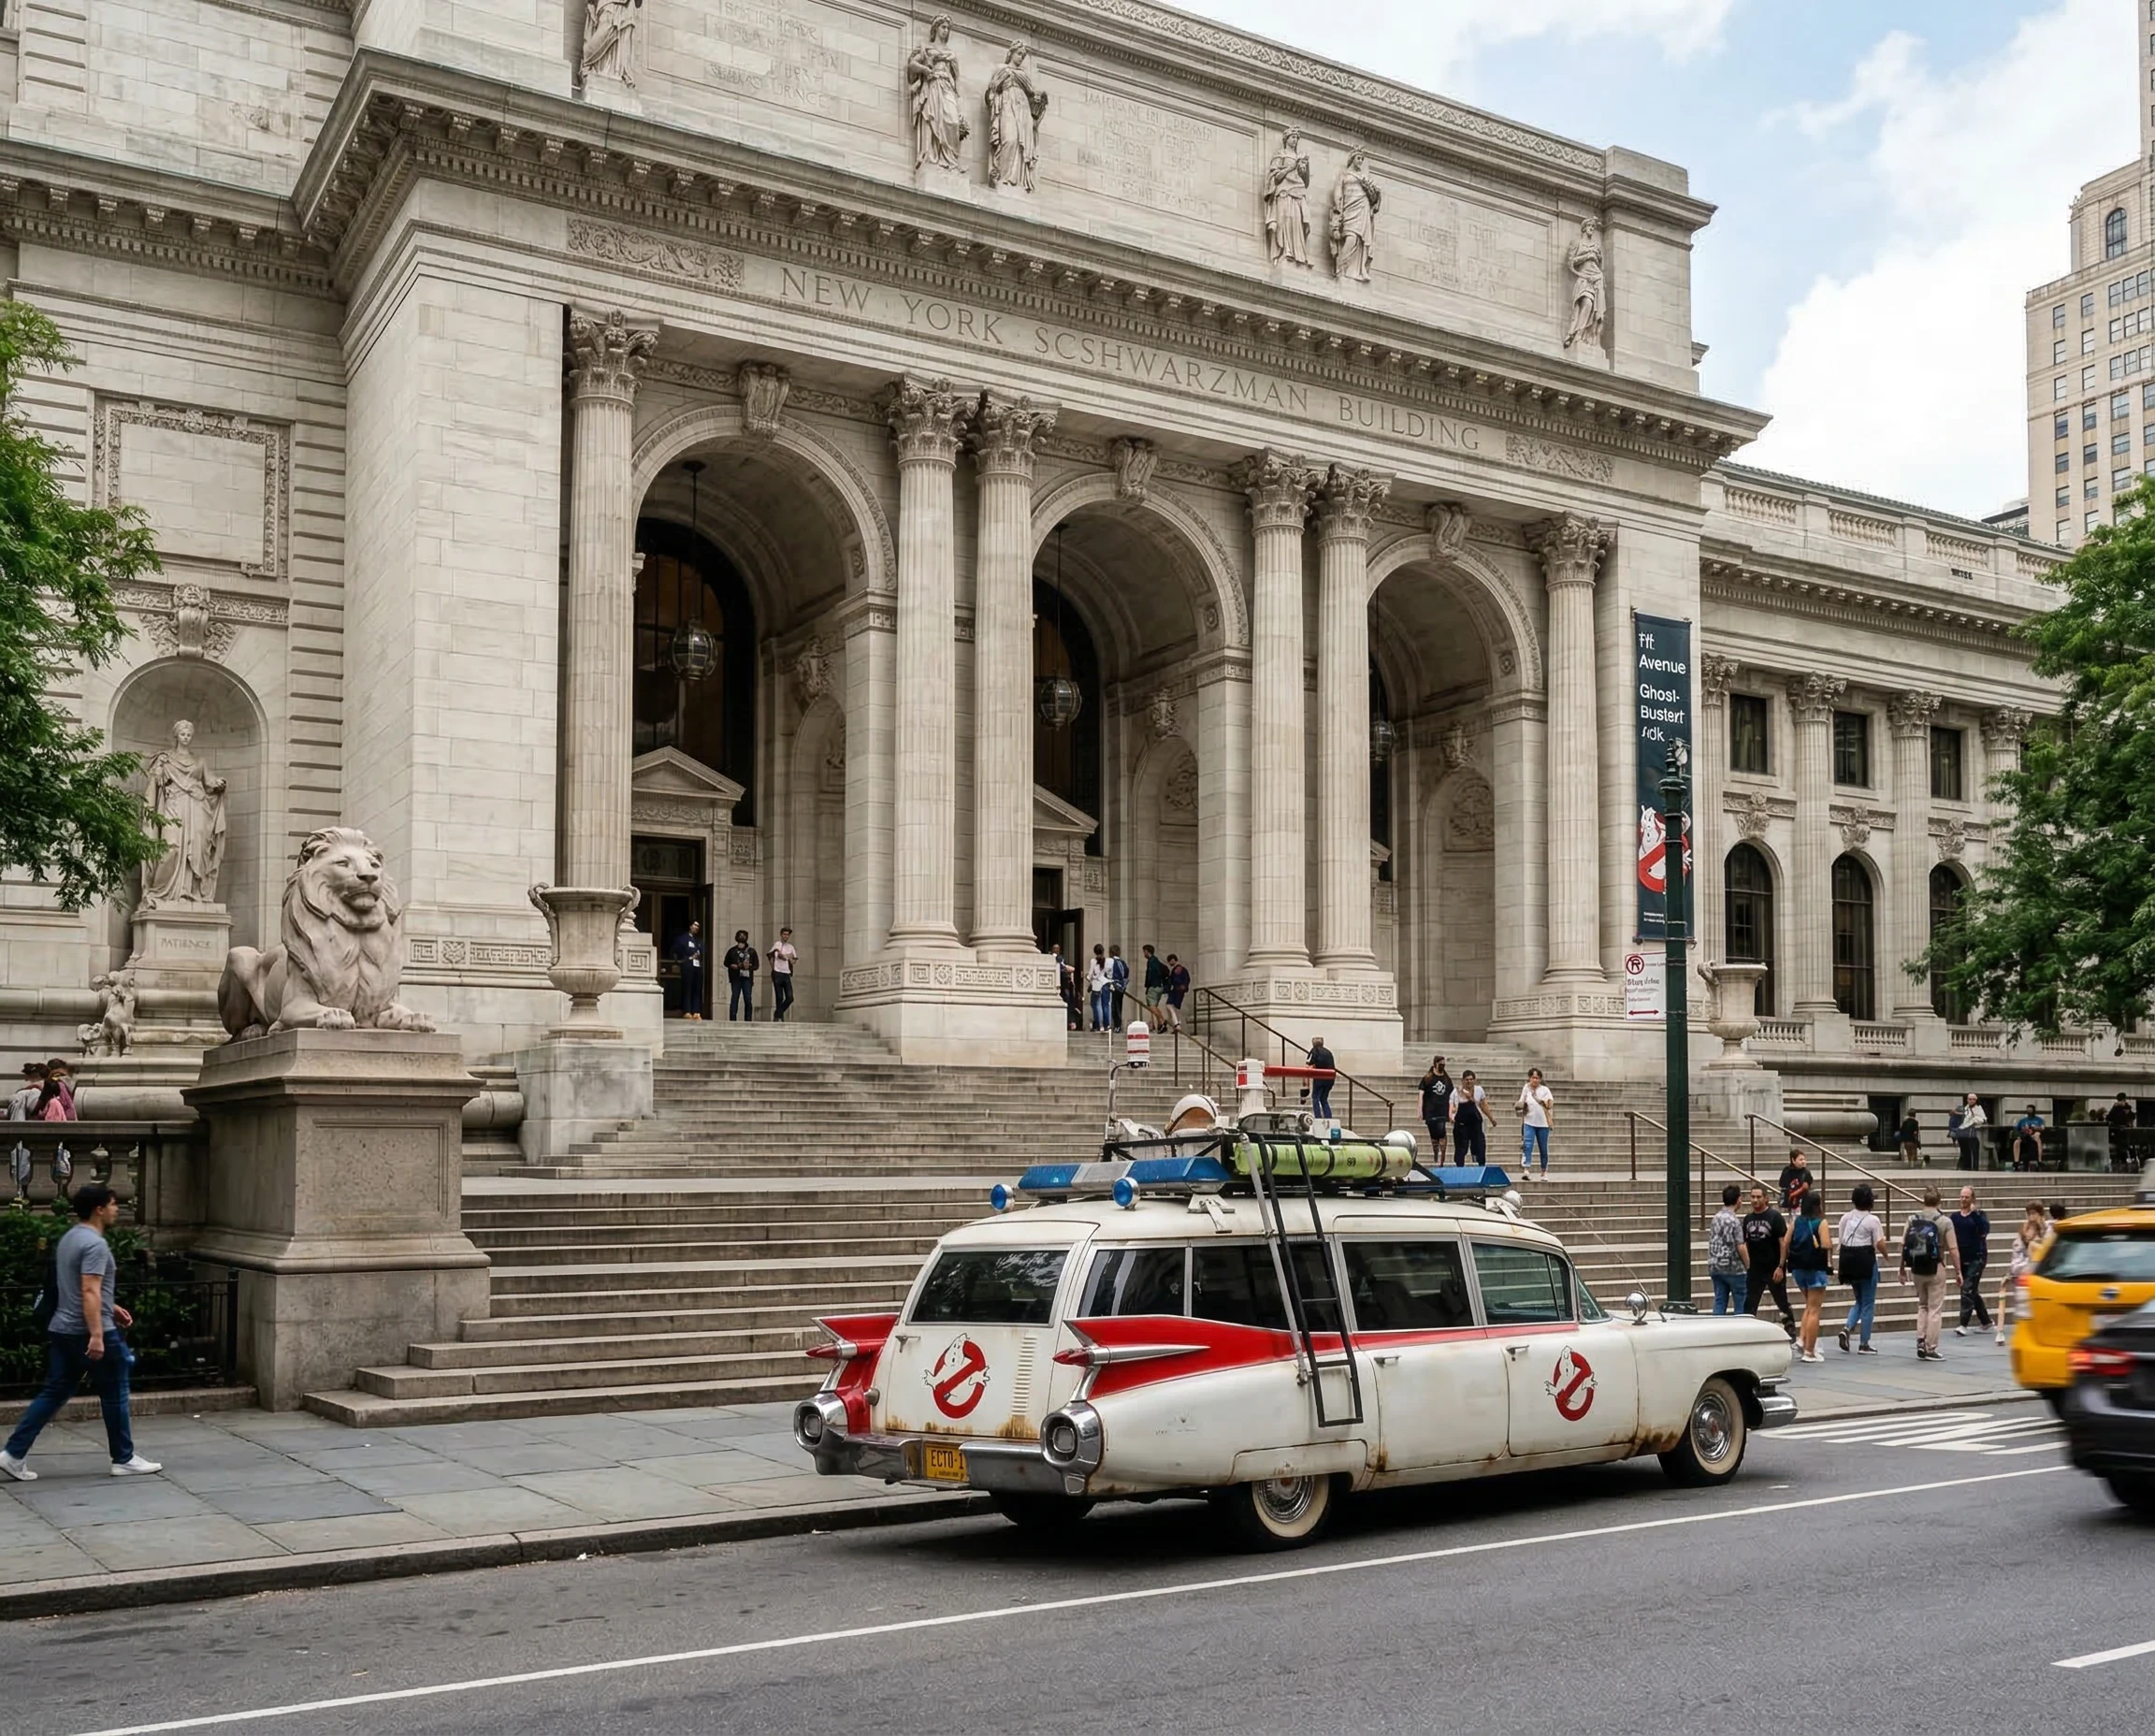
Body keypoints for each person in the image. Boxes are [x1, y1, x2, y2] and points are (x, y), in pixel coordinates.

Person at [0, 1184, 162, 1482]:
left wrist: (111, 1305)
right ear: (99, 1209)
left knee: (55, 1391)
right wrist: (98, 1335)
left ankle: (13, 1454)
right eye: (113, 1204)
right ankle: (123, 1458)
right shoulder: (95, 1244)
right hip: (88, 1330)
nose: (117, 1209)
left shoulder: (71, 1238)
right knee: (115, 1392)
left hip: (62, 1328)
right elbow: (88, 1289)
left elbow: (79, 1286)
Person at [1900, 1184, 1962, 1362]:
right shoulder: (1945, 1222)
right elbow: (1953, 1248)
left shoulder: (1912, 1219)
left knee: (1923, 1305)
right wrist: (1958, 1272)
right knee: (1935, 1309)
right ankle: (1930, 1347)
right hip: (1936, 1267)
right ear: (1939, 1202)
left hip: (1916, 1268)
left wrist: (1902, 1268)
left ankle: (1920, 1339)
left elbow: (1904, 1245)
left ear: (1924, 1200)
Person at [1835, 1184, 1885, 1354]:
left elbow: (1841, 1240)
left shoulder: (1845, 1218)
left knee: (1859, 1299)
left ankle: (1848, 1328)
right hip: (1866, 1262)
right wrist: (1886, 1255)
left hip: (1848, 1262)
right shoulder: (1873, 1220)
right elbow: (1879, 1242)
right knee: (1868, 1302)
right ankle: (1864, 1343)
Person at [1785, 1189, 1832, 1362]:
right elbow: (1826, 1244)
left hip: (1798, 1268)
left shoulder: (1796, 1222)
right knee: (1814, 1309)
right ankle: (1809, 1351)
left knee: (1808, 1305)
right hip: (1815, 1268)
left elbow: (1786, 1242)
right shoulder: (1821, 1222)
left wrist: (1782, 1263)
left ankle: (1802, 1339)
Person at [1742, 1183, 1794, 1337]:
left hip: (1773, 1267)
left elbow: (1783, 1243)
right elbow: (1745, 1243)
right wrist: (1748, 1265)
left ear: (1766, 1198)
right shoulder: (1748, 1219)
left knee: (1782, 1301)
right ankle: (1747, 1333)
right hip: (1755, 1269)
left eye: (1758, 1197)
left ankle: (1790, 1329)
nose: (1755, 1200)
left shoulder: (1774, 1217)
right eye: (1752, 1197)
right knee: (1750, 1304)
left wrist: (1780, 1266)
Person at [1998, 1200, 2048, 1346]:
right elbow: (2017, 1256)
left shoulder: (2048, 1229)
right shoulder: (2025, 1230)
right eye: (2029, 1214)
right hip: (2025, 1268)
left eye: (2034, 1213)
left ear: (2041, 1214)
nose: (2031, 1217)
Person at [1950, 1185, 1993, 1336]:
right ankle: (1986, 1321)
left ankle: (1963, 1324)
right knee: (1969, 1289)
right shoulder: (1954, 1217)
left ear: (1972, 1199)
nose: (1963, 1200)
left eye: (1966, 1197)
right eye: (1961, 1196)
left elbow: (1984, 1230)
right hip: (1962, 1257)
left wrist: (1975, 1214)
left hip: (1977, 1256)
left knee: (1968, 1289)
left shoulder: (1979, 1215)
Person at [1709, 1184, 1747, 1315]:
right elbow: (1740, 1245)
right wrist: (1748, 1264)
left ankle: (1717, 1327)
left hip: (1715, 1265)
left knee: (1720, 1300)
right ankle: (1740, 1329)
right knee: (1740, 1301)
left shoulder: (1716, 1218)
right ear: (1738, 1200)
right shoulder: (1734, 1221)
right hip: (1734, 1267)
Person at [1514, 1067, 1554, 1179]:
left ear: (1540, 1079)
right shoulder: (1526, 1088)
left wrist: (1541, 1101)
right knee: (1528, 1145)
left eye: (1537, 1078)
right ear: (1529, 1078)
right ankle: (1526, 1169)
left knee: (1543, 1148)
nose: (1535, 1080)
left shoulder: (1545, 1090)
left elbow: (1550, 1104)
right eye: (1533, 1078)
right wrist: (1521, 1105)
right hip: (1529, 1121)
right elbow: (1521, 1100)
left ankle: (1544, 1171)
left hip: (1543, 1123)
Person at [1418, 1057, 1454, 1167]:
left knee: (1441, 1132)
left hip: (1442, 1110)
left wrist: (1452, 1110)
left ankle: (1442, 1158)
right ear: (1435, 1064)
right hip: (1430, 1110)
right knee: (1434, 1134)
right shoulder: (1427, 1078)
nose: (1442, 1066)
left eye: (1444, 1064)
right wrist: (1420, 1110)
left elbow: (1452, 1095)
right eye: (1440, 1064)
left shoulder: (1447, 1079)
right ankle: (1435, 1152)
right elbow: (1421, 1094)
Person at [1452, 1069, 1489, 1165]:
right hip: (1462, 1125)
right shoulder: (1456, 1092)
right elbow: (1452, 1106)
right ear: (1463, 1080)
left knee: (1479, 1146)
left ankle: (1480, 1165)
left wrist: (1491, 1118)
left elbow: (1484, 1105)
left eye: (1471, 1079)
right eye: (1467, 1079)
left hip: (1475, 1124)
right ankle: (1459, 1167)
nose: (1469, 1081)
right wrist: (1451, 1116)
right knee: (1461, 1148)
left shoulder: (1479, 1090)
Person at [671, 920, 704, 1020]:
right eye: (694, 925)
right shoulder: (682, 939)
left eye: (698, 926)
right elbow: (674, 951)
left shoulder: (699, 941)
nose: (696, 927)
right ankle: (687, 1011)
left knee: (697, 989)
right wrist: (681, 961)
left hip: (697, 967)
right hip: (687, 966)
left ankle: (696, 1012)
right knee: (687, 989)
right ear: (690, 926)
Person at [723, 930, 759, 1022]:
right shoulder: (732, 951)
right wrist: (732, 965)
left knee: (748, 998)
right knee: (735, 997)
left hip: (747, 978)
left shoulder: (751, 951)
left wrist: (749, 966)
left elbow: (756, 966)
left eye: (744, 935)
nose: (742, 937)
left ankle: (748, 1019)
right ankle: (732, 1019)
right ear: (736, 937)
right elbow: (726, 963)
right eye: (740, 935)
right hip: (735, 977)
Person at [1951, 1092, 1988, 1171]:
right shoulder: (1965, 1109)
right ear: (1967, 1100)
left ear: (1976, 1100)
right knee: (1964, 1152)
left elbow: (1983, 1119)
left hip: (1972, 1134)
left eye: (1973, 1099)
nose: (1971, 1101)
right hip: (1962, 1133)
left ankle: (1974, 1168)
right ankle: (1966, 1167)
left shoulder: (1978, 1108)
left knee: (1974, 1152)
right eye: (1970, 1099)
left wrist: (1975, 1120)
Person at [769, 927, 798, 1021]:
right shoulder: (778, 944)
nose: (786, 936)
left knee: (790, 997)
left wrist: (790, 958)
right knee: (779, 996)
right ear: (781, 935)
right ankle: (779, 1017)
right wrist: (786, 956)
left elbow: (794, 960)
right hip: (777, 972)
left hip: (786, 973)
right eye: (784, 934)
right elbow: (775, 955)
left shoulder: (790, 947)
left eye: (787, 935)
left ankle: (778, 1013)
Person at [1306, 1036, 1336, 1122]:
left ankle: (1318, 1118)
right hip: (1330, 1079)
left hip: (1319, 1078)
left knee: (1315, 1098)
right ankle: (1328, 1118)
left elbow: (1309, 1063)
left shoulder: (1315, 1051)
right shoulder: (1328, 1052)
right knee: (1324, 1099)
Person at [1776, 1147, 1815, 1213]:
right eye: (1800, 1160)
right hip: (1791, 1202)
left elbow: (1805, 1187)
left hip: (1802, 1202)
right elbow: (1782, 1185)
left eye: (1804, 1159)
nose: (1803, 1161)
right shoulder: (1787, 1171)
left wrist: (1794, 1194)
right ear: (1793, 1160)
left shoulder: (1806, 1172)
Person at [2105, 1092, 2137, 1173]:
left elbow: (2109, 1118)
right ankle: (2124, 1163)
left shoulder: (2119, 1107)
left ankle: (2123, 1164)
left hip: (2119, 1132)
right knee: (2124, 1148)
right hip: (2121, 1131)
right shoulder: (2122, 1107)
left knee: (2122, 1148)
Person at [1086, 944, 1112, 1033]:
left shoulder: (1093, 961)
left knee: (1096, 1005)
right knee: (1105, 1005)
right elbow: (1109, 974)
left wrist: (1088, 978)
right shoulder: (1108, 961)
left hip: (1097, 985)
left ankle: (1097, 1025)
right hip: (1105, 983)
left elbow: (1090, 975)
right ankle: (1106, 1025)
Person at [1141, 945, 1168, 1030]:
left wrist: (1148, 986)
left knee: (1151, 1006)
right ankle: (1159, 1024)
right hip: (1159, 986)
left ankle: (1162, 1021)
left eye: (1144, 951)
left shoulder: (1151, 962)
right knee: (1154, 1006)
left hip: (1154, 986)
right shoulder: (1156, 961)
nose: (1143, 953)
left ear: (1147, 951)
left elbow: (1150, 975)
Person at [2012, 1105, 2046, 1172]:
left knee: (2037, 1136)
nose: (2029, 1112)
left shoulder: (2039, 1120)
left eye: (2031, 1110)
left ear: (2034, 1111)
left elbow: (2042, 1128)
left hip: (2033, 1136)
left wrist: (2036, 1128)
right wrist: (2019, 1135)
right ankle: (2016, 1162)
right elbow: (2016, 1129)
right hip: (2024, 1137)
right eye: (2028, 1110)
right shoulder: (2023, 1120)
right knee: (2016, 1142)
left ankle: (2039, 1160)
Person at [1163, 954, 1190, 1034]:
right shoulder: (1182, 969)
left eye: (1170, 961)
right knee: (1176, 1008)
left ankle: (1177, 1024)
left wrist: (1170, 987)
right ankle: (1178, 1024)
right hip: (1180, 990)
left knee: (1169, 1005)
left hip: (1176, 990)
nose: (1170, 963)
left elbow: (1175, 980)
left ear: (1173, 960)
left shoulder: (1177, 969)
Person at [1106, 945, 1131, 1029]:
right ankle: (1118, 1024)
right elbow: (1126, 974)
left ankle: (1116, 1025)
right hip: (1122, 986)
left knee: (1113, 1006)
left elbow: (1107, 973)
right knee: (1119, 1005)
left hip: (1113, 985)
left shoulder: (1110, 961)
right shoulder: (1123, 963)